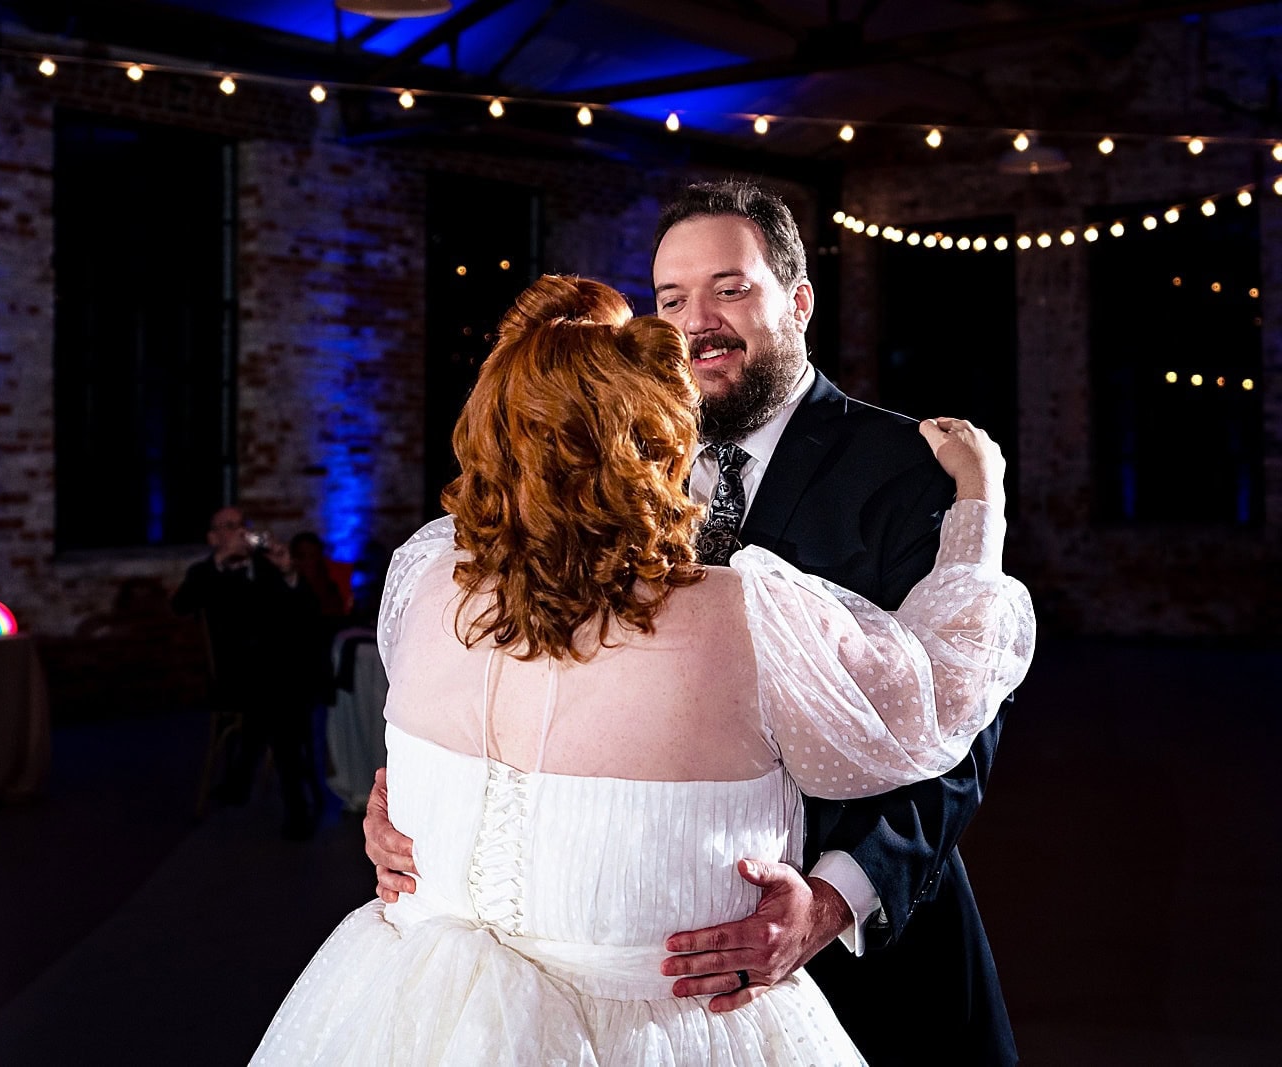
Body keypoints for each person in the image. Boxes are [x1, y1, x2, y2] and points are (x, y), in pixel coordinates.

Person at [252, 275, 1033, 1064]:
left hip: (407, 1021)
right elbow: (943, 692)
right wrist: (980, 501)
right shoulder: (742, 618)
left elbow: (448, 778)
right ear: (660, 446)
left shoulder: (424, 581)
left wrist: (412, 821)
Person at [174, 506, 322, 839]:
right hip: (233, 678)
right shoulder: (204, 573)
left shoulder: (266, 569)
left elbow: (309, 613)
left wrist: (288, 572)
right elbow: (180, 605)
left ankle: (241, 776)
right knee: (278, 701)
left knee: (276, 695)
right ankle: (295, 804)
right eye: (228, 527)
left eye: (242, 525)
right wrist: (220, 561)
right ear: (213, 538)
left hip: (276, 676)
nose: (239, 533)